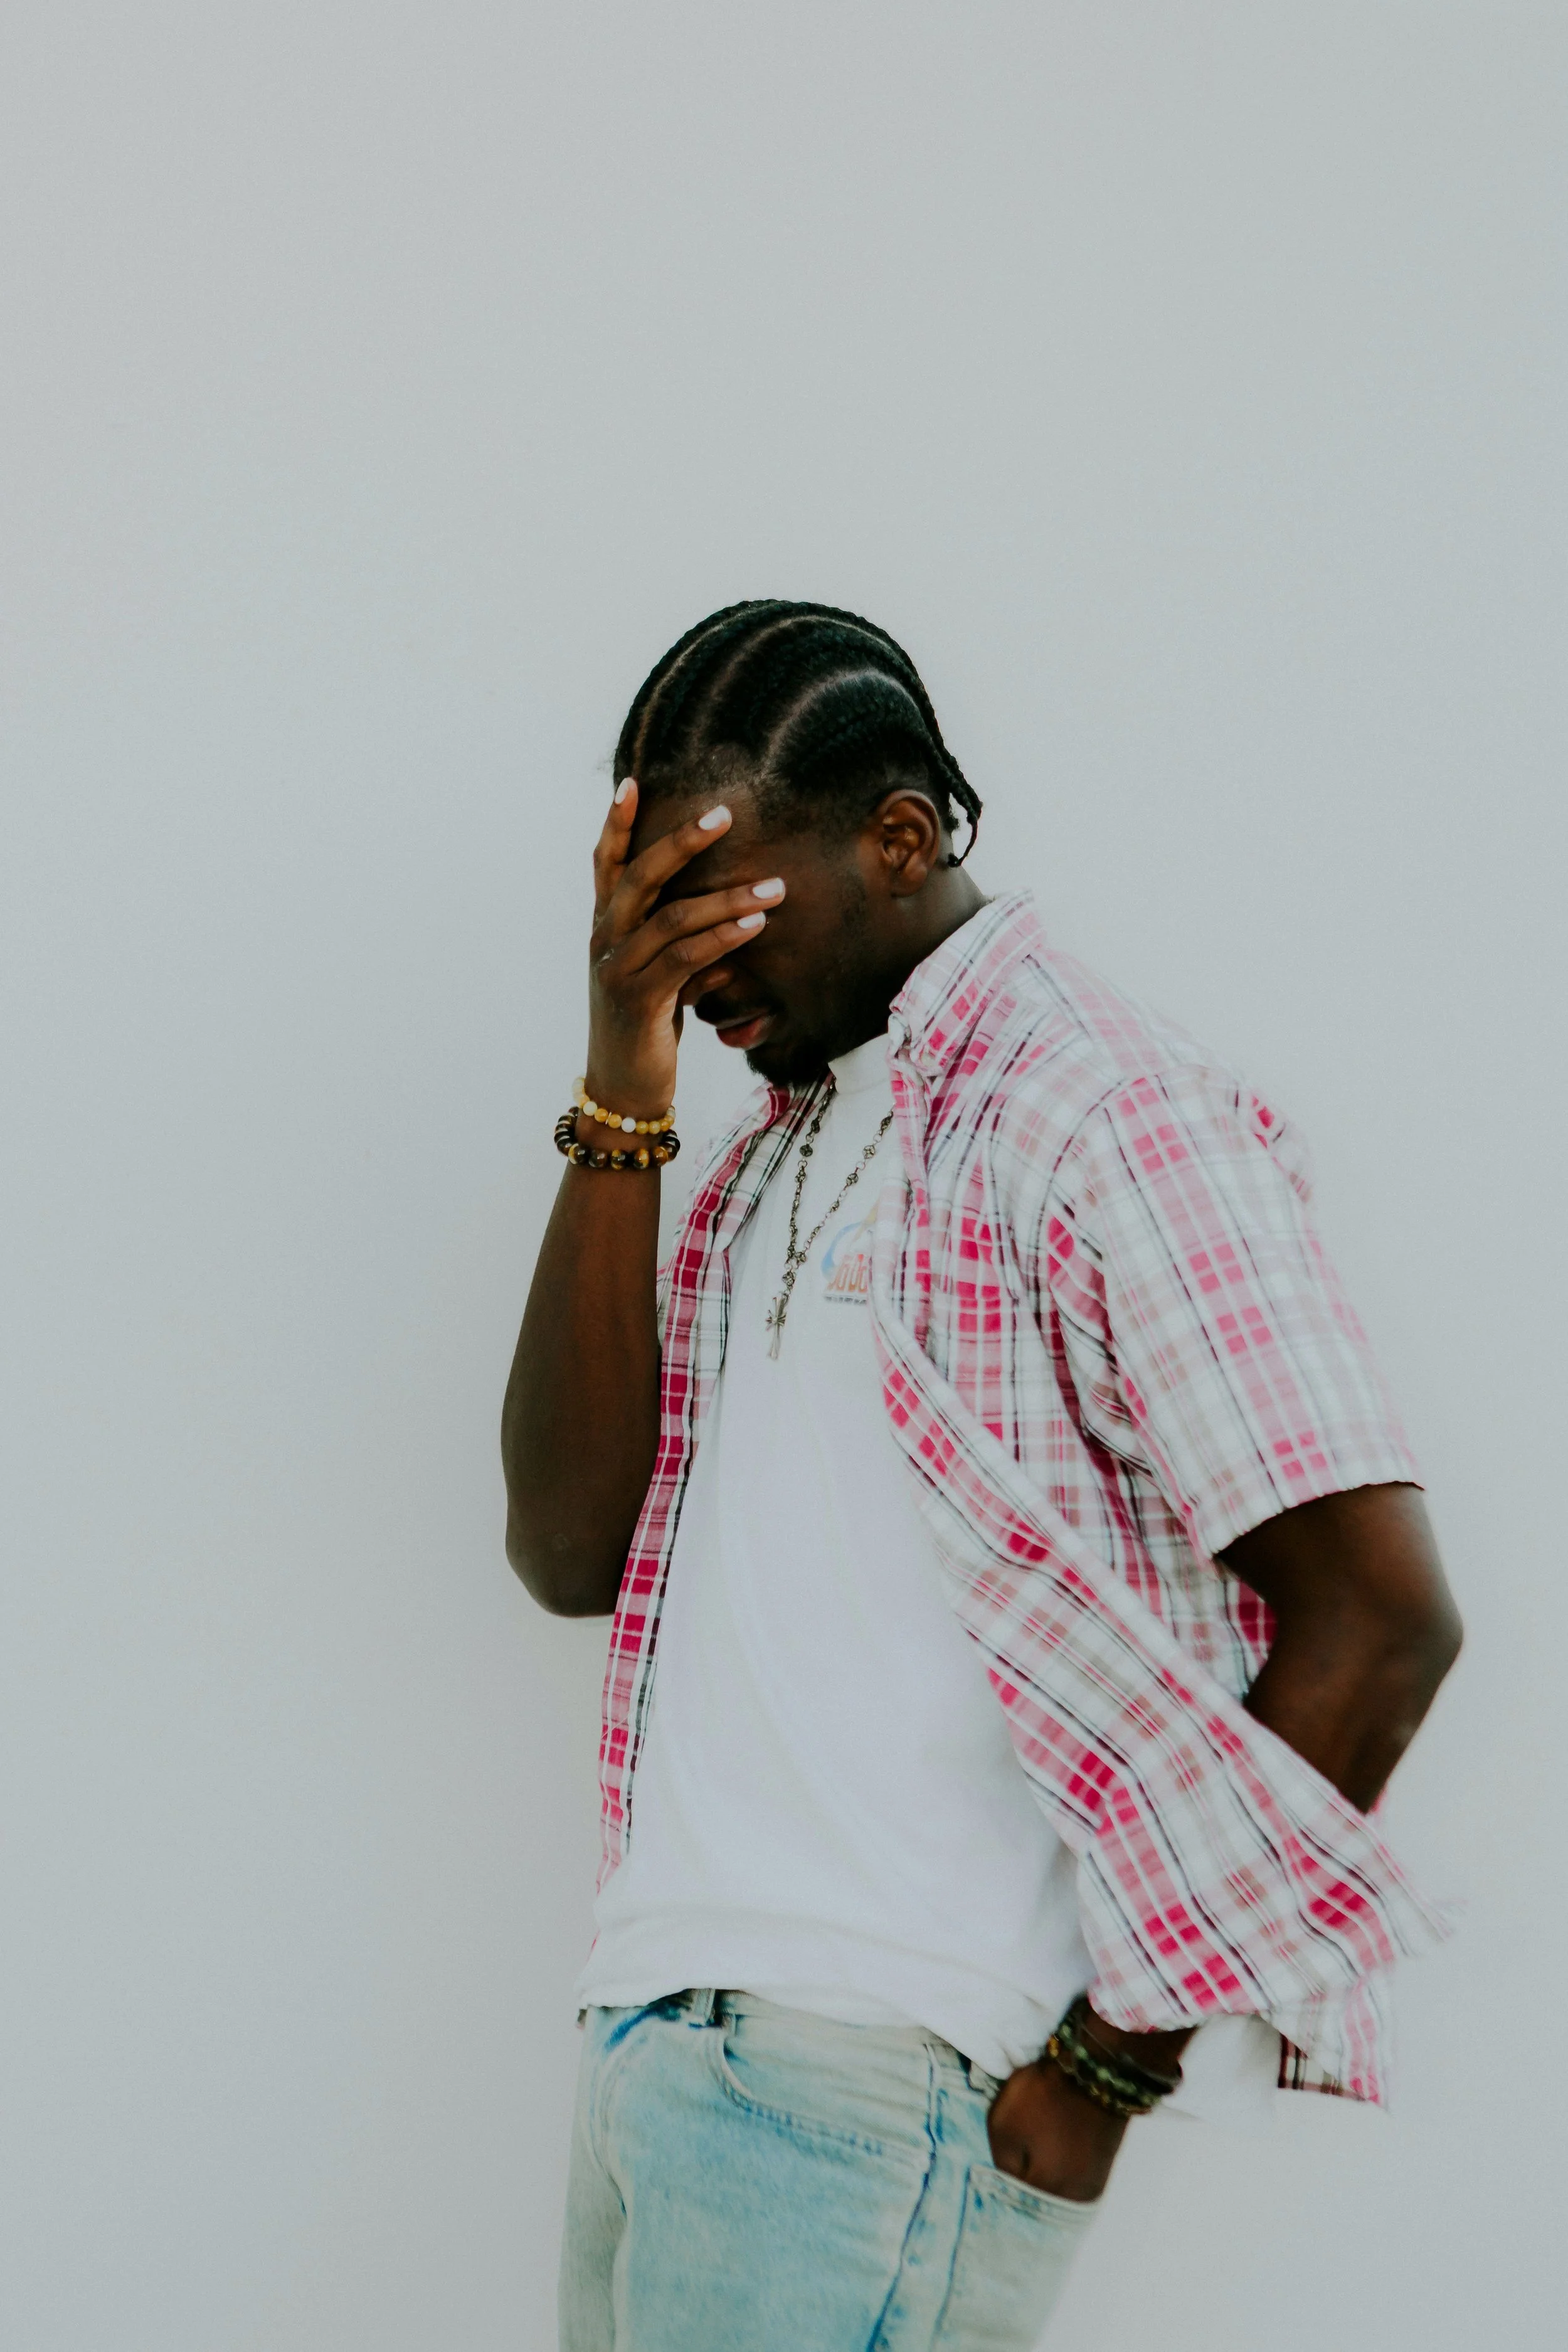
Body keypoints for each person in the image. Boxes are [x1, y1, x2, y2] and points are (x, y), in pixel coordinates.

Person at [501, 600, 1461, 2352]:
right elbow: (574, 1552)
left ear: (898, 836)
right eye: (645, 910)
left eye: (715, 902)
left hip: (876, 2092)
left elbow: (1380, 1620)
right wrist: (619, 1069)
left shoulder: (1099, 1114)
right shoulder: (761, 1163)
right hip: (660, 2037)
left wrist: (1099, 2069)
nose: (682, 957)